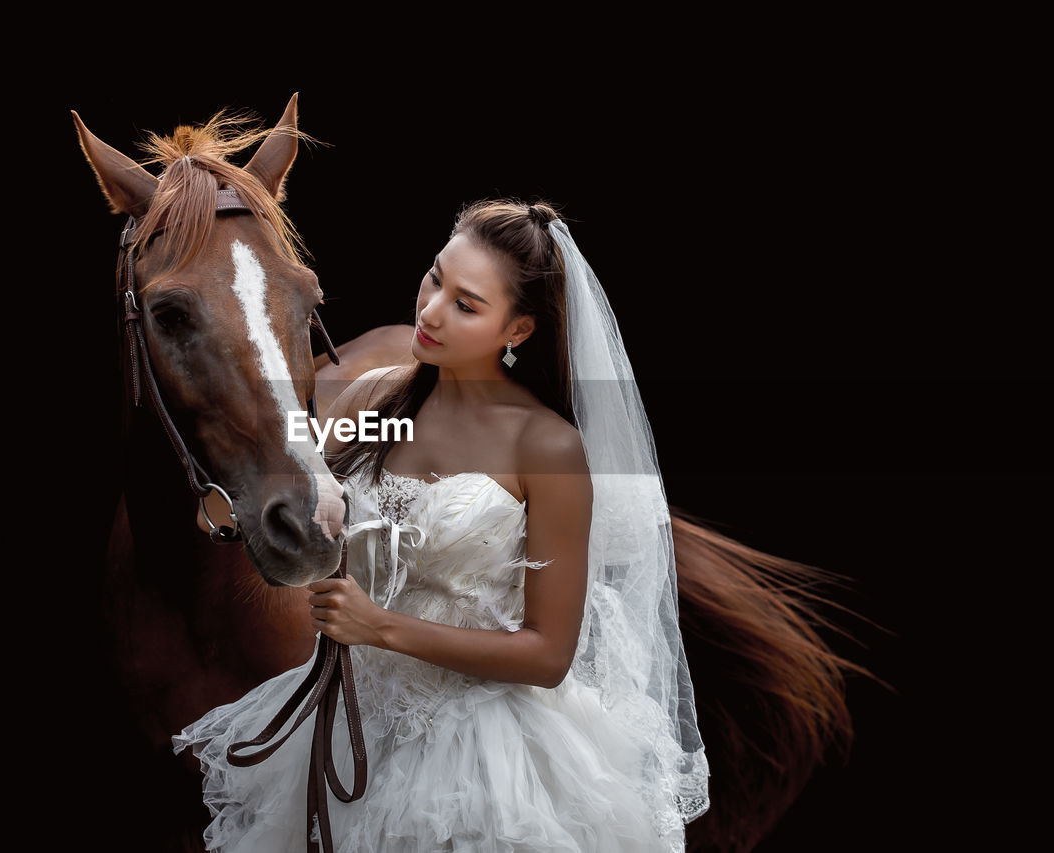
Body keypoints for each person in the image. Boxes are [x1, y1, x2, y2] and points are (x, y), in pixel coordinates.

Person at [174, 199, 710, 852]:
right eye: (436, 278)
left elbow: (547, 654)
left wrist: (380, 626)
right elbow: (302, 499)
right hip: (354, 729)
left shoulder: (544, 447)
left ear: (516, 330)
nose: (429, 311)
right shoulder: (374, 403)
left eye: (467, 304)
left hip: (482, 754)